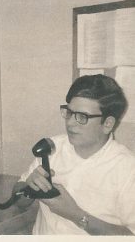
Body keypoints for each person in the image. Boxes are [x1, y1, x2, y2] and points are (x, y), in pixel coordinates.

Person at [13, 74, 135, 235]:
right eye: (69, 112)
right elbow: (18, 200)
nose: (70, 122)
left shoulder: (127, 170)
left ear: (107, 124)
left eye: (82, 117)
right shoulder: (52, 147)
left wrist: (75, 215)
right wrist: (29, 188)